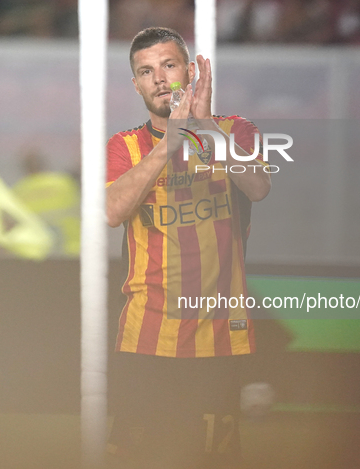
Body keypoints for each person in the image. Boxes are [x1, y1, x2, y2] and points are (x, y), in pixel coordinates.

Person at [105, 27, 271, 469]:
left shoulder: (237, 130)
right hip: (146, 334)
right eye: (146, 71)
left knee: (212, 460)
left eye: (169, 65)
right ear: (136, 84)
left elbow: (258, 187)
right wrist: (170, 142)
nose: (159, 78)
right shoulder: (125, 145)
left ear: (191, 72)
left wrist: (204, 128)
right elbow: (113, 210)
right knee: (136, 457)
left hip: (219, 336)